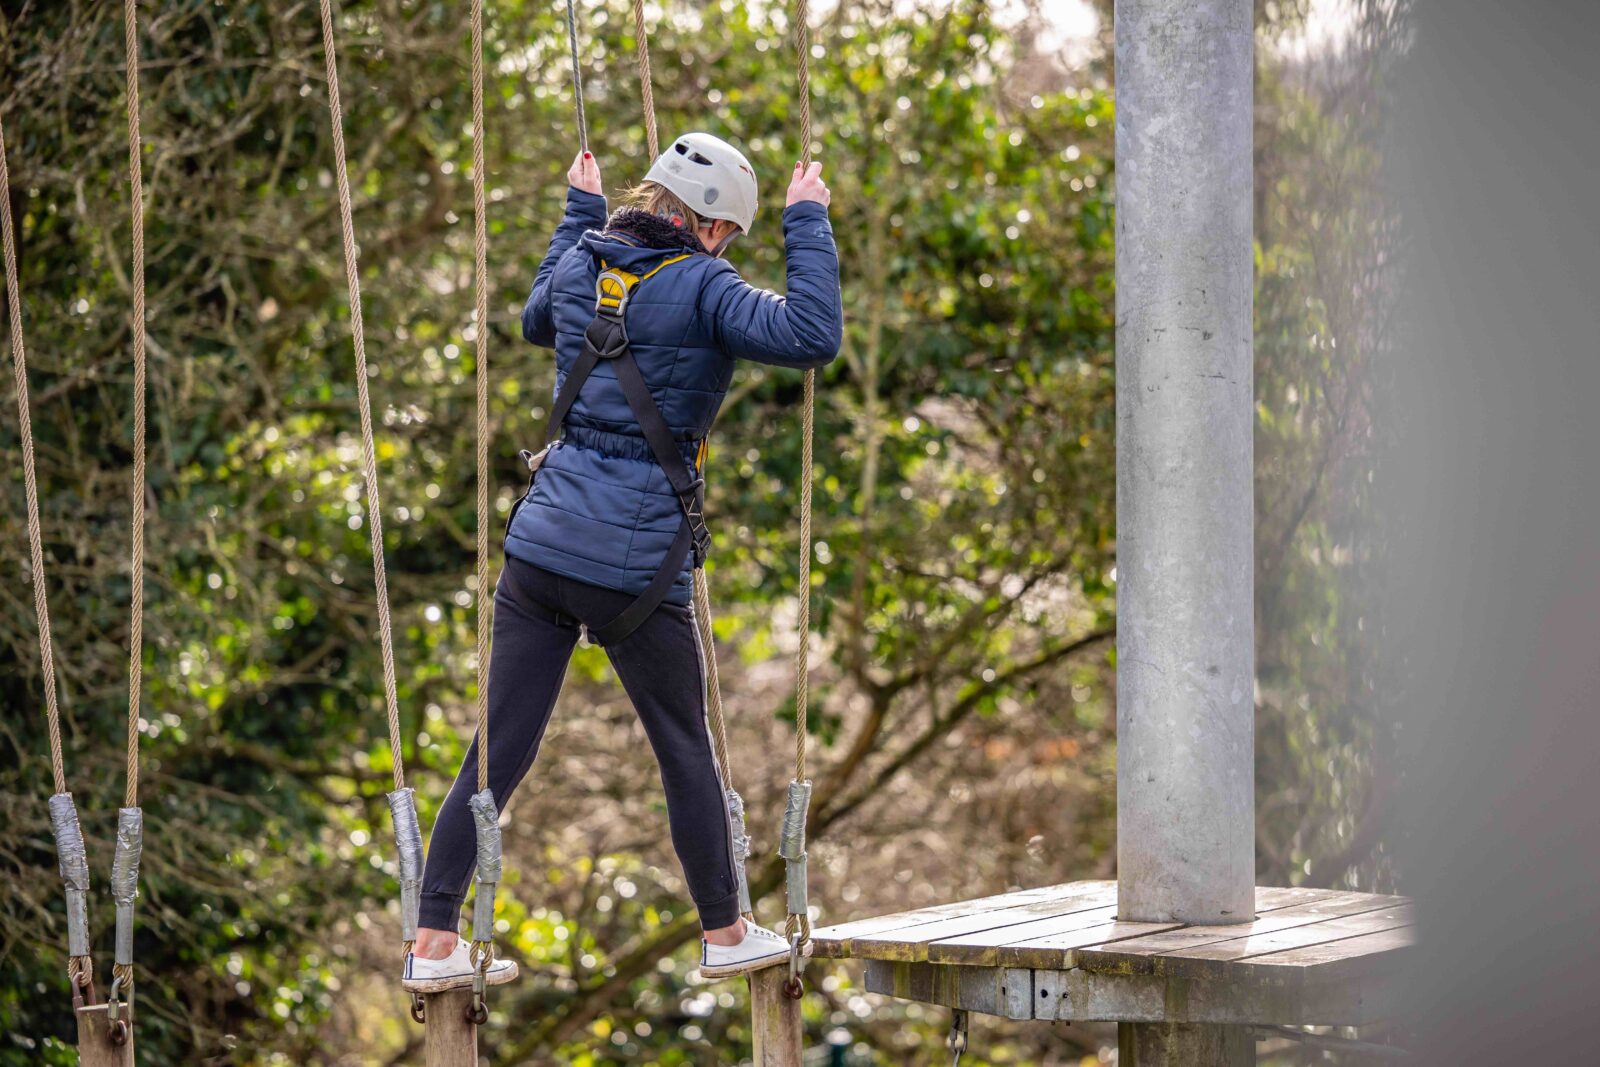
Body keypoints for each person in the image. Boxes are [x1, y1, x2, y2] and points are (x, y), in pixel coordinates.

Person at [401, 132, 842, 993]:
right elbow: (811, 333)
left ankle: (431, 941)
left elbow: (536, 318)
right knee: (684, 746)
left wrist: (578, 215)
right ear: (713, 228)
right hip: (632, 567)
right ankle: (724, 928)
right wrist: (808, 224)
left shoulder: (579, 268)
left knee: (495, 752)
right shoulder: (708, 285)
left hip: (539, 549)